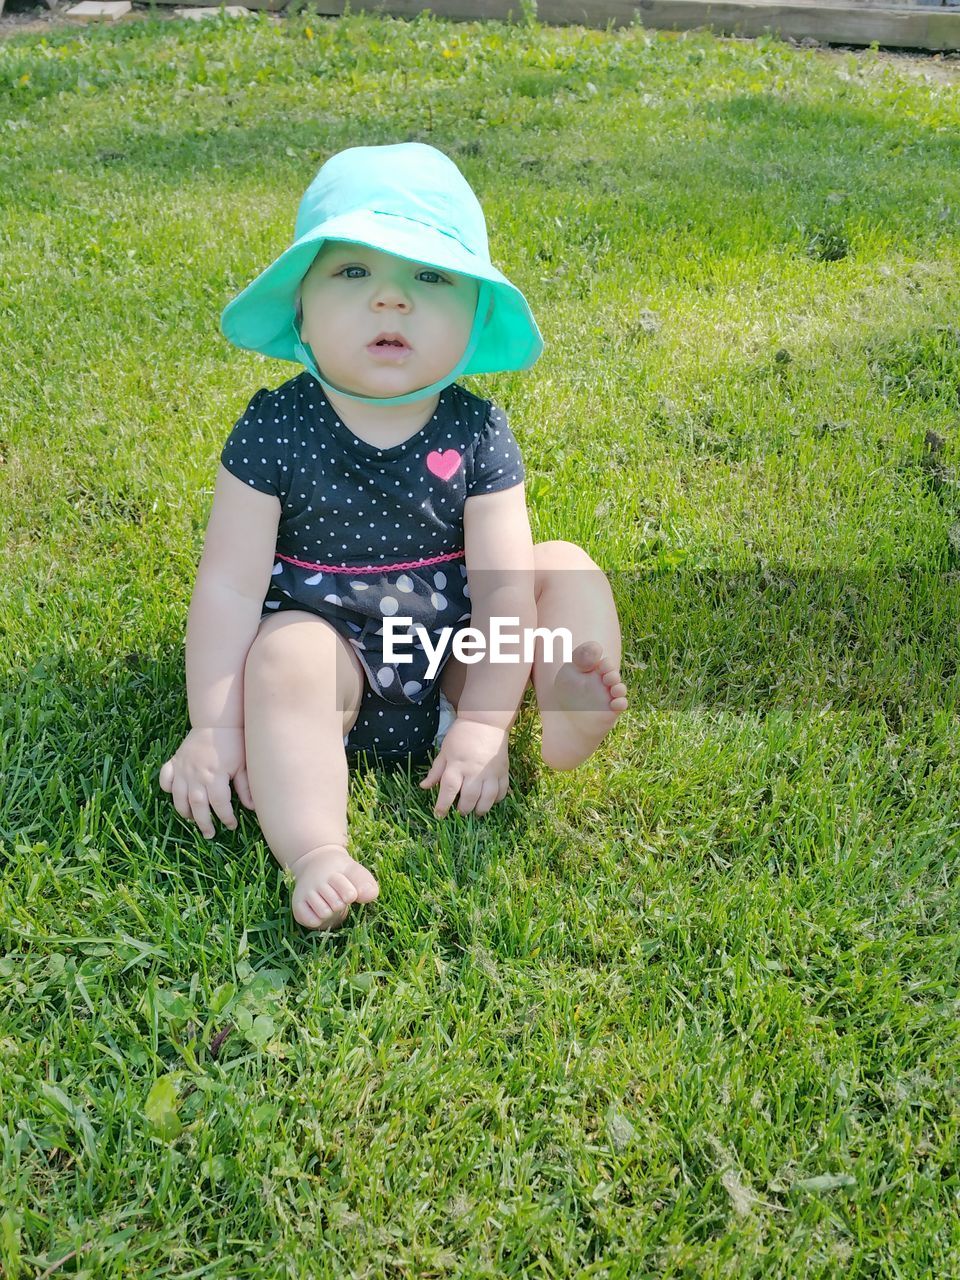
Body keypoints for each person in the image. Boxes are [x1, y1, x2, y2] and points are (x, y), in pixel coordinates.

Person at [159, 142, 628, 932]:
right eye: (353, 274)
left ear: (476, 318)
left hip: (454, 665)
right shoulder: (274, 428)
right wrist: (216, 725)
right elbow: (230, 586)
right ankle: (316, 848)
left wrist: (480, 720)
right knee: (284, 652)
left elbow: (505, 590)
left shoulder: (478, 432)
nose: (391, 302)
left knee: (560, 566)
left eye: (430, 278)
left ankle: (559, 709)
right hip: (330, 667)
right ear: (300, 307)